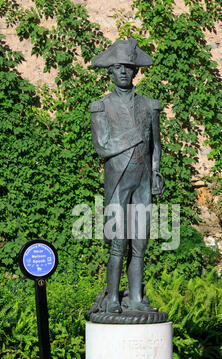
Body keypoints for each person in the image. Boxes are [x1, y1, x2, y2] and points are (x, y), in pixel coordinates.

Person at [90, 38, 164, 314]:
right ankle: (111, 298)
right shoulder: (101, 106)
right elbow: (102, 147)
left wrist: (156, 171)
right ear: (110, 72)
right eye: (118, 67)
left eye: (128, 67)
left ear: (136, 72)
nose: (123, 72)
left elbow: (156, 144)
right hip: (118, 181)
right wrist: (134, 138)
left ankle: (135, 297)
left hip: (143, 180)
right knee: (119, 241)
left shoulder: (149, 105)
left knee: (140, 242)